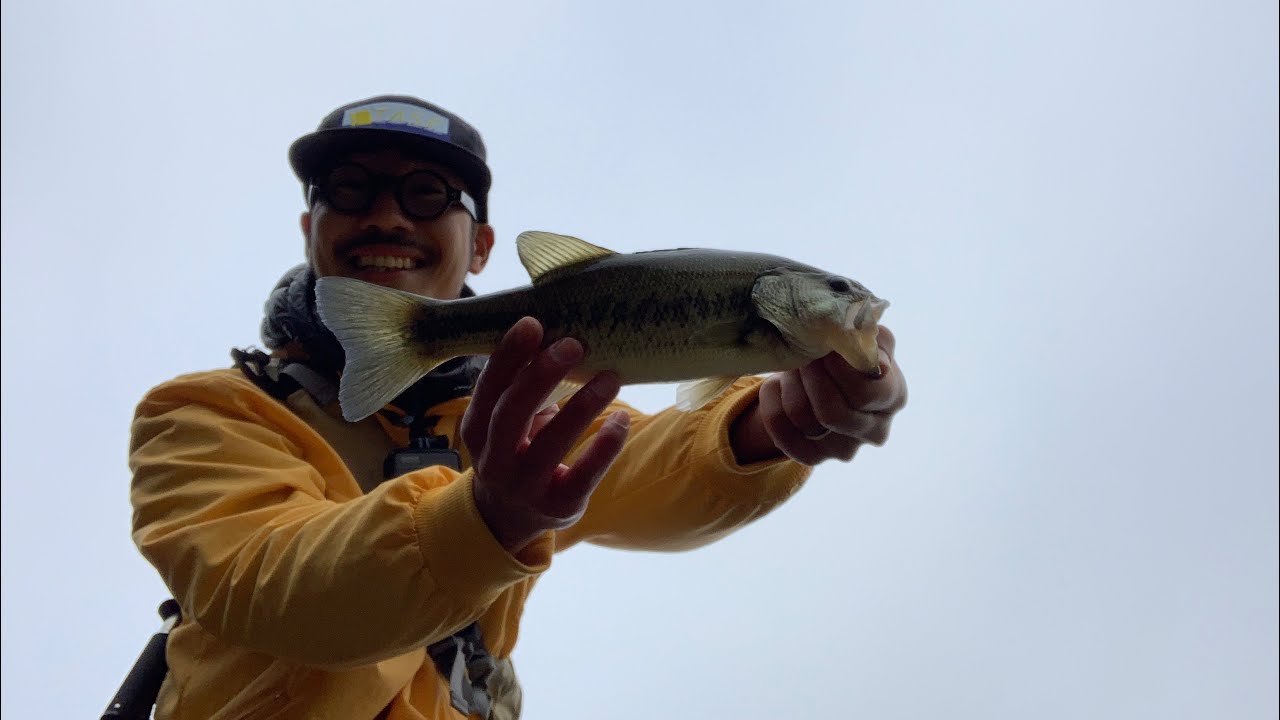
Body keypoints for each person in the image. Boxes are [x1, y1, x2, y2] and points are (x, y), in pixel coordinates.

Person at [127, 94, 908, 720]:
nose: (390, 216)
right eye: (350, 190)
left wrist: (770, 426)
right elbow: (268, 586)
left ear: (483, 246)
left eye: (428, 194)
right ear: (311, 227)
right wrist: (482, 522)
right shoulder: (201, 414)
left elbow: (660, 466)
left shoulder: (539, 411)